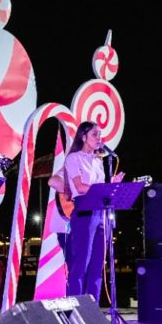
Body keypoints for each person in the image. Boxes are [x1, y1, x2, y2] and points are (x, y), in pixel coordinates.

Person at [63, 121, 124, 302]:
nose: (99, 138)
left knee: (98, 266)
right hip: (84, 210)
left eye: (100, 135)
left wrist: (111, 185)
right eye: (95, 135)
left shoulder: (98, 161)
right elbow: (80, 187)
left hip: (100, 212)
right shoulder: (73, 158)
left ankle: (93, 311)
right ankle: (74, 310)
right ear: (83, 137)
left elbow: (98, 188)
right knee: (81, 264)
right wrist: (103, 188)